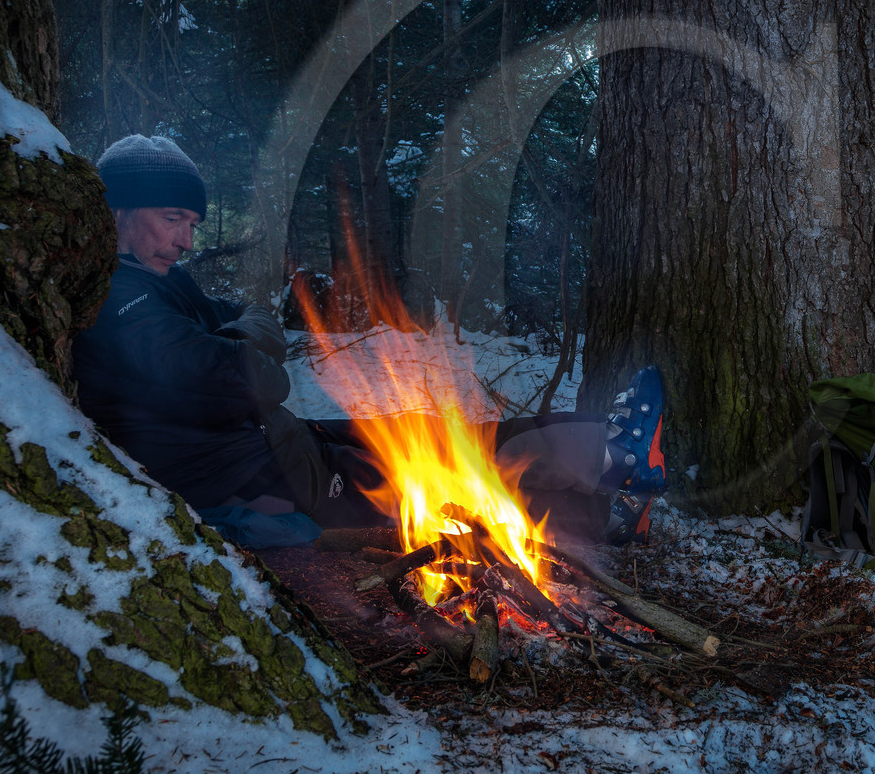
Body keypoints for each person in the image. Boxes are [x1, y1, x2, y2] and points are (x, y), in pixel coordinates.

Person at [71, 134, 664, 547]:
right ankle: (612, 475)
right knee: (436, 483)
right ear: (119, 209)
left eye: (192, 225)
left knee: (434, 434)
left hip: (273, 445)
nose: (185, 241)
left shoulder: (163, 284)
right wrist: (243, 344)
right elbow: (260, 376)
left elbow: (253, 321)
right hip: (262, 480)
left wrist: (240, 338)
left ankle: (606, 456)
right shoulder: (121, 304)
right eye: (173, 218)